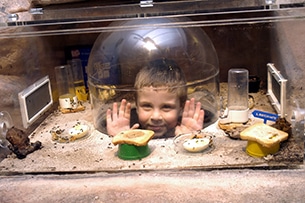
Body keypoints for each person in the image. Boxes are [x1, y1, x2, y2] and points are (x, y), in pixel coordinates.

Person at [106, 58, 204, 138]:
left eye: (166, 107)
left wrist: (187, 139)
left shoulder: (186, 130)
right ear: (137, 106)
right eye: (147, 106)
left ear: (181, 108)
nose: (156, 116)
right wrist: (121, 139)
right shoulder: (129, 131)